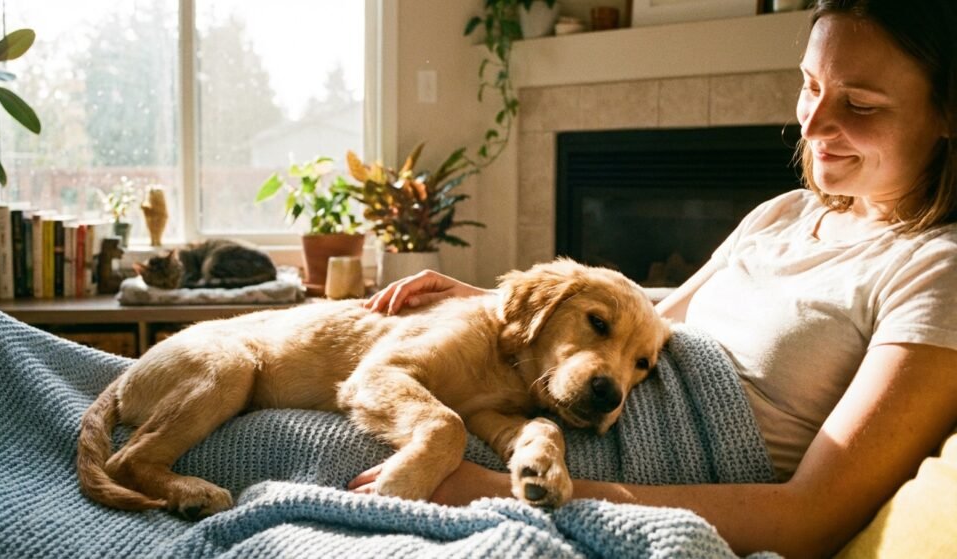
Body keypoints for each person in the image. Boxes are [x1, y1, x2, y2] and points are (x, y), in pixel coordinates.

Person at [349, 0, 957, 556]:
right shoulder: (784, 213)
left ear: (947, 113)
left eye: (860, 104)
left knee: (309, 443)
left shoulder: (936, 271)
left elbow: (810, 517)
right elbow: (660, 318)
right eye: (810, 86)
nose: (813, 124)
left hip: (582, 461)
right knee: (322, 399)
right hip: (538, 408)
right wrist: (505, 300)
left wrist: (484, 490)